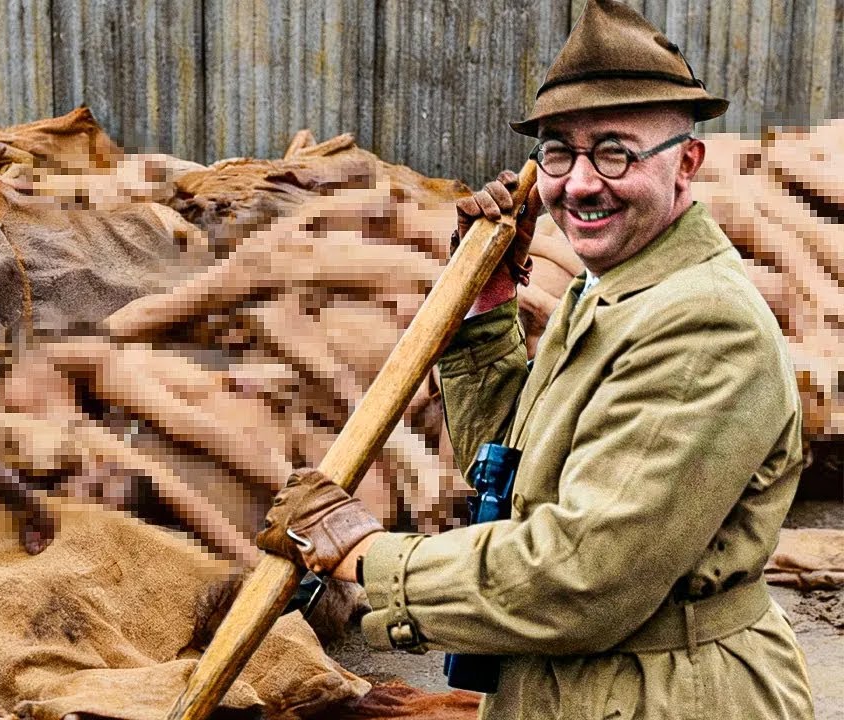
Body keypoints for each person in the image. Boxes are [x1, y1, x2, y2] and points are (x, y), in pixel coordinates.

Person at [255, 1, 815, 717]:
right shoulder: (613, 290)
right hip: (575, 683)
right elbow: (517, 479)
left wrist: (365, 555)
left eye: (615, 151)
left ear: (687, 164)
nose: (580, 184)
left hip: (666, 693)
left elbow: (585, 577)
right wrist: (486, 313)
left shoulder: (702, 322)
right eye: (558, 151)